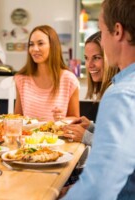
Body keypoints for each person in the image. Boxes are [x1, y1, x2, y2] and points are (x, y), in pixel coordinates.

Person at [64, 0, 135, 199]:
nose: (102, 42)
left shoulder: (122, 94)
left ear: (118, 31)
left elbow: (97, 190)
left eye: (102, 32)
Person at [62, 31, 119, 145]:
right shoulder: (111, 88)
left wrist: (85, 136)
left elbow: (119, 144)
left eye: (96, 58)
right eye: (86, 58)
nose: (89, 64)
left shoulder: (116, 92)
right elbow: (113, 133)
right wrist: (91, 127)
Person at [14, 25, 80, 121]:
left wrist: (62, 119)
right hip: (27, 136)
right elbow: (17, 118)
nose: (35, 49)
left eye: (40, 43)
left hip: (56, 135)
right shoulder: (21, 79)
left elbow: (75, 118)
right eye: (31, 44)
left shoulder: (69, 79)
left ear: (53, 46)